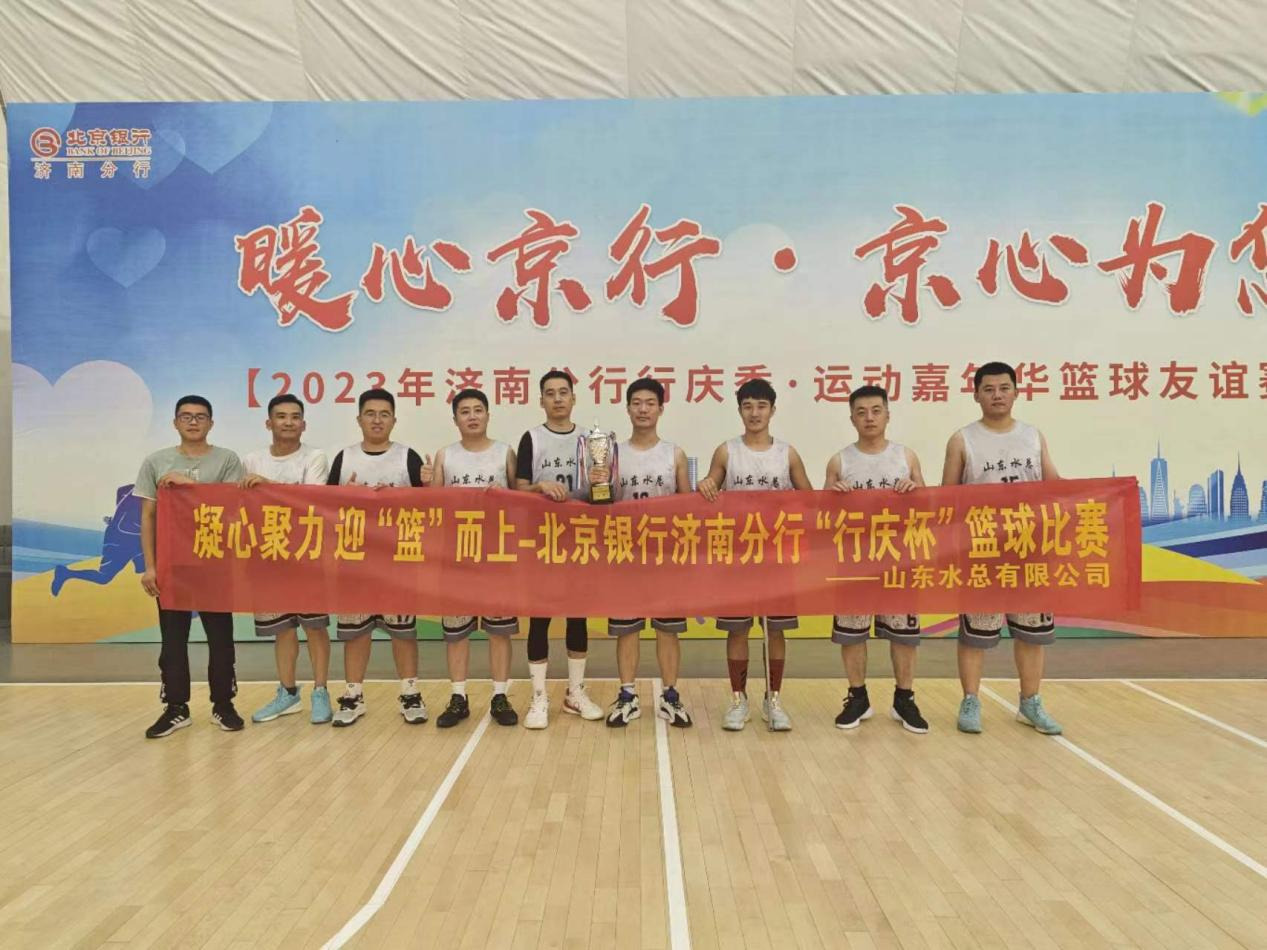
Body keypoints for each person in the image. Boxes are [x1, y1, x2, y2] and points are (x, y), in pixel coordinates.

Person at [942, 361, 1063, 735]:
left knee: (1030, 632)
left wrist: (1093, 494)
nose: (997, 395)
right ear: (976, 395)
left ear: (1016, 392)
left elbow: (1054, 483)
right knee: (975, 634)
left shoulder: (1032, 436)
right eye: (989, 389)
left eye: (1004, 388)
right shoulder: (962, 439)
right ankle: (970, 701)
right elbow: (946, 498)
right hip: (981, 550)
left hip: (1028, 549)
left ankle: (1030, 702)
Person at [697, 379, 813, 731]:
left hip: (777, 559)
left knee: (775, 631)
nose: (755, 413)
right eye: (748, 406)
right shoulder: (727, 452)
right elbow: (709, 489)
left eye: (761, 406)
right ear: (739, 411)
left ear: (772, 410)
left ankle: (772, 699)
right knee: (738, 631)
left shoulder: (787, 454)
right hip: (738, 559)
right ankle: (738, 699)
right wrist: (705, 484)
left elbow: (809, 499)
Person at [135, 395, 246, 738]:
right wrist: (150, 566)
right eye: (186, 416)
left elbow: (232, 507)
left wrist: (192, 487)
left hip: (215, 564)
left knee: (221, 639)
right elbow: (148, 517)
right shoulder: (156, 462)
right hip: (173, 565)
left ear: (211, 423)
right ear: (175, 423)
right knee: (172, 640)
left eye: (200, 416)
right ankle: (176, 708)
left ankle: (223, 704)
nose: (193, 422)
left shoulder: (227, 460)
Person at [824, 385, 929, 734]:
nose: (869, 418)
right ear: (852, 418)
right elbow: (822, 516)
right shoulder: (840, 461)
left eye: (876, 410)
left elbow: (929, 506)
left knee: (904, 634)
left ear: (887, 415)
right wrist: (832, 497)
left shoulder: (906, 457)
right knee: (852, 633)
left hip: (899, 558)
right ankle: (858, 697)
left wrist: (916, 493)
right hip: (854, 561)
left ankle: (904, 699)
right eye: (861, 412)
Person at [327, 388, 432, 727]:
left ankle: (410, 692)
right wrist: (344, 495)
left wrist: (428, 486)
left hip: (398, 559)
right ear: (359, 419)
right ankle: (353, 695)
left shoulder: (408, 457)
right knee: (356, 631)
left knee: (403, 631)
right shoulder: (344, 458)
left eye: (384, 414)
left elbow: (429, 508)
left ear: (394, 420)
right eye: (370, 414)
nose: (377, 420)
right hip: (354, 559)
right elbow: (325, 508)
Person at [513, 370, 603, 729]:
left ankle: (575, 693)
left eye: (563, 392)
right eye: (550, 393)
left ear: (573, 398)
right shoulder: (531, 438)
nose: (557, 399)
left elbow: (603, 495)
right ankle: (538, 698)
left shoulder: (591, 440)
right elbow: (517, 489)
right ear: (541, 401)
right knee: (540, 618)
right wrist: (539, 487)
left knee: (577, 617)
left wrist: (600, 483)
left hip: (579, 539)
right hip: (542, 541)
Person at [240, 394, 334, 725]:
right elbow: (240, 503)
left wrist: (268, 487)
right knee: (282, 630)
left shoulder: (315, 457)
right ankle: (288, 693)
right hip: (269, 555)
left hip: (307, 555)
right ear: (269, 422)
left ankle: (320, 691)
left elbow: (311, 500)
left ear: (303, 424)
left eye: (295, 417)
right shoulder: (251, 460)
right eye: (281, 416)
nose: (288, 422)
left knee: (315, 627)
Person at [605, 378, 693, 728]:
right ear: (627, 408)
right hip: (625, 554)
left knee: (667, 630)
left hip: (665, 558)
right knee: (627, 629)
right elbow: (601, 503)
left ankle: (670, 696)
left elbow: (688, 506)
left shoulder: (674, 454)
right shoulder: (611, 454)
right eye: (637, 403)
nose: (643, 409)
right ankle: (627, 696)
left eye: (650, 403)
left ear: (660, 409)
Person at [431, 388, 520, 728]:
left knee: (499, 631)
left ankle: (500, 696)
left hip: (497, 556)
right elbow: (432, 506)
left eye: (478, 410)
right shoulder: (445, 455)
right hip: (456, 556)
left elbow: (521, 503)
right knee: (457, 632)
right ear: (455, 419)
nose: (472, 416)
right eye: (464, 411)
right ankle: (458, 697)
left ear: (488, 415)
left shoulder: (504, 452)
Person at [51, 484, 143, 595]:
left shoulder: (142, 490)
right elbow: (123, 497)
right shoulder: (142, 492)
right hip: (120, 541)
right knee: (104, 577)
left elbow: (122, 491)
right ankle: (65, 573)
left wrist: (117, 518)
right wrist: (117, 520)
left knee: (147, 568)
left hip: (134, 539)